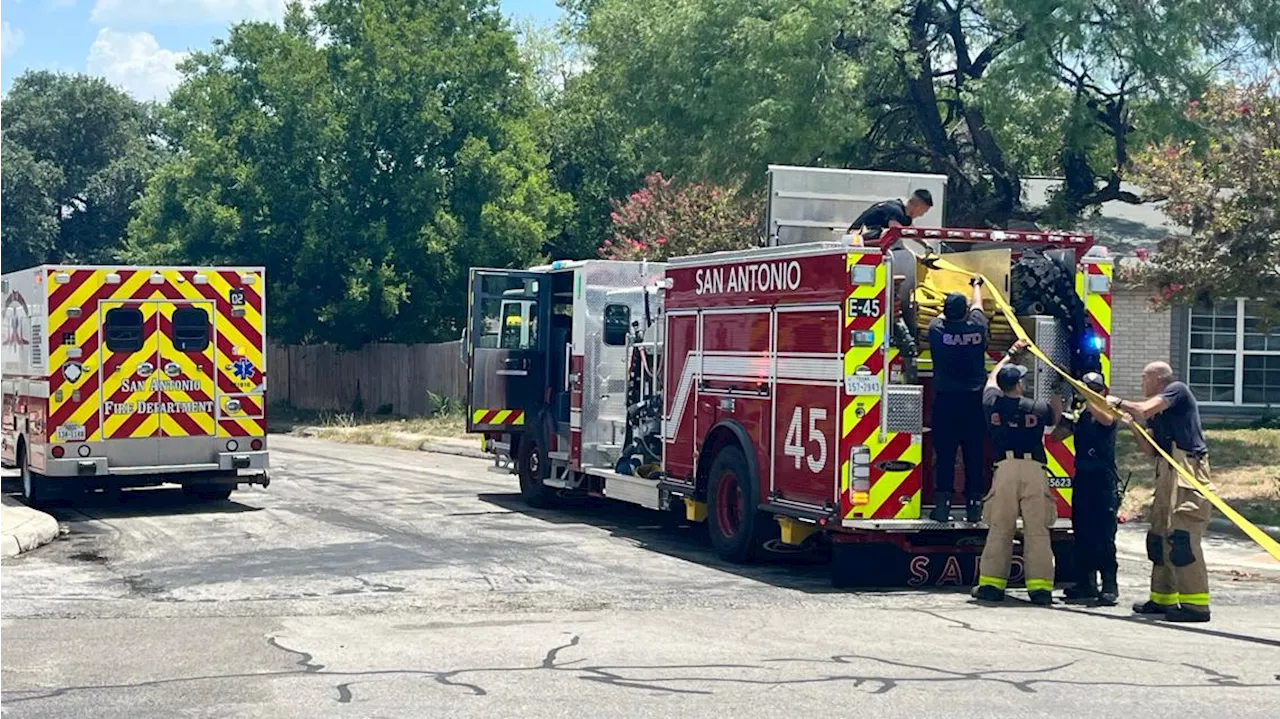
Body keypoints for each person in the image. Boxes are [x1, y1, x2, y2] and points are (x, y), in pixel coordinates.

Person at [1109, 362, 1212, 623]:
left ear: (1158, 379)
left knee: (1183, 536)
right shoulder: (1157, 411)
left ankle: (1196, 606)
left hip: (1187, 468)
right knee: (1159, 535)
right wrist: (1132, 426)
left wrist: (1117, 401)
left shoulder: (1176, 391)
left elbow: (1143, 408)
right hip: (1166, 469)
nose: (1141, 383)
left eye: (1144, 378)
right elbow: (1150, 450)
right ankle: (1162, 598)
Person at [972, 339, 1063, 606]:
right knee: (1037, 530)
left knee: (1001, 528)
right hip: (1035, 469)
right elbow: (1056, 417)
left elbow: (991, 379)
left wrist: (1011, 355)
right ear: (1020, 385)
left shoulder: (992, 403)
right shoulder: (1036, 408)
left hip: (1006, 469)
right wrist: (1056, 387)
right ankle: (1040, 589)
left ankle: (990, 586)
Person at [927, 275, 988, 523]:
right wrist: (976, 285)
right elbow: (978, 307)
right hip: (974, 403)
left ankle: (943, 506)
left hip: (946, 403)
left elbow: (940, 318)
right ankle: (974, 507)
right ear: (965, 313)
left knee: (945, 455)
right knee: (974, 454)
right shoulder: (978, 327)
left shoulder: (936, 330)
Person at [1062, 372, 1120, 606]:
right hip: (1083, 478)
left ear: (1103, 391)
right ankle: (1085, 584)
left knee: (1103, 536)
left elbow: (1106, 419)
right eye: (1086, 388)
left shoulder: (1108, 412)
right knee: (1082, 533)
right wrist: (1061, 399)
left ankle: (1109, 585)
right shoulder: (1081, 416)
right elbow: (1057, 437)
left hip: (1103, 481)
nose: (1090, 392)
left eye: (1094, 388)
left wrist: (1087, 398)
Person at [846, 188, 933, 239]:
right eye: (924, 210)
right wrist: (917, 257)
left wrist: (926, 246)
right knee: (889, 235)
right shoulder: (896, 211)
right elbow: (896, 234)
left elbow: (913, 232)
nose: (922, 215)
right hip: (856, 238)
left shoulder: (903, 213)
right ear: (917, 206)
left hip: (866, 237)